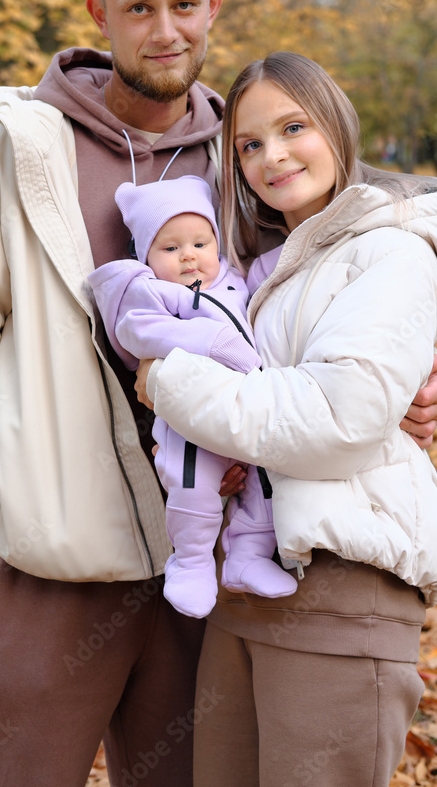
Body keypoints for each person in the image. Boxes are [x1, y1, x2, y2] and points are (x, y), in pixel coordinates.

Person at [0, 0, 437, 787]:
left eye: (183, 6)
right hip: (56, 558)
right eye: (137, 8)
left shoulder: (243, 159)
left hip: (209, 561)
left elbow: (317, 295)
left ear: (212, 1)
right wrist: (3, 473)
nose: (164, 31)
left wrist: (429, 375)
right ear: (99, 14)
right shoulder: (14, 157)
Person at [135, 51, 437, 787]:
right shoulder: (270, 263)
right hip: (246, 591)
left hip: (342, 588)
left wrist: (168, 381)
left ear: (336, 124)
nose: (273, 155)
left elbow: (337, 416)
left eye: (293, 127)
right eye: (249, 145)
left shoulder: (389, 249)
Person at [88, 174, 297, 619]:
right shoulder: (152, 293)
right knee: (195, 487)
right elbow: (137, 331)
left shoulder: (236, 278)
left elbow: (289, 264)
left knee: (265, 485)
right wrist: (210, 339)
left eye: (201, 243)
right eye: (170, 248)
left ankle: (247, 557)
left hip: (250, 409)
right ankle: (192, 562)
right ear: (144, 255)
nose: (189, 256)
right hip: (190, 423)